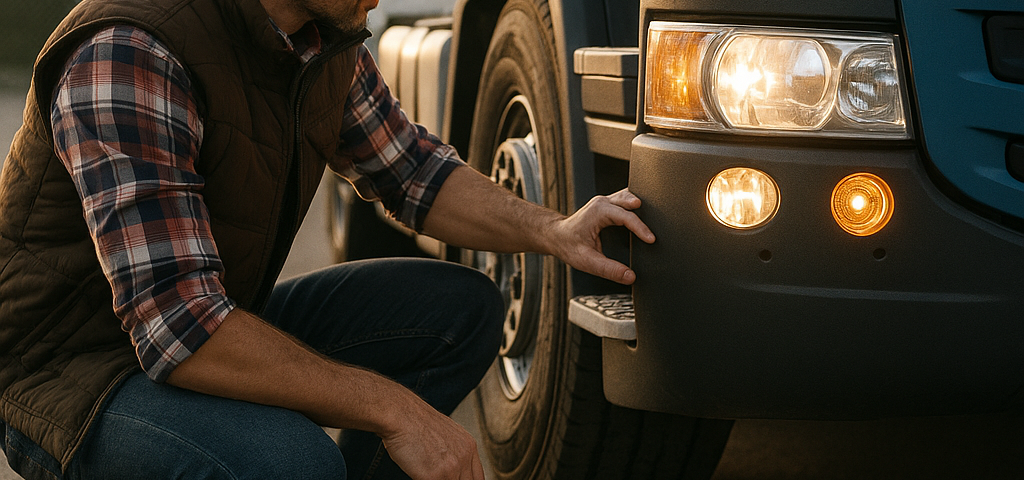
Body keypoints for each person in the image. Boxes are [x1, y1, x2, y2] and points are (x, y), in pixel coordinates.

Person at [0, 0, 655, 478]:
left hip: (207, 323)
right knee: (292, 464)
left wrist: (557, 230)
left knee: (461, 309)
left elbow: (412, 171)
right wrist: (396, 410)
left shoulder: (322, 39)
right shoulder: (131, 50)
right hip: (77, 373)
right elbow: (179, 325)